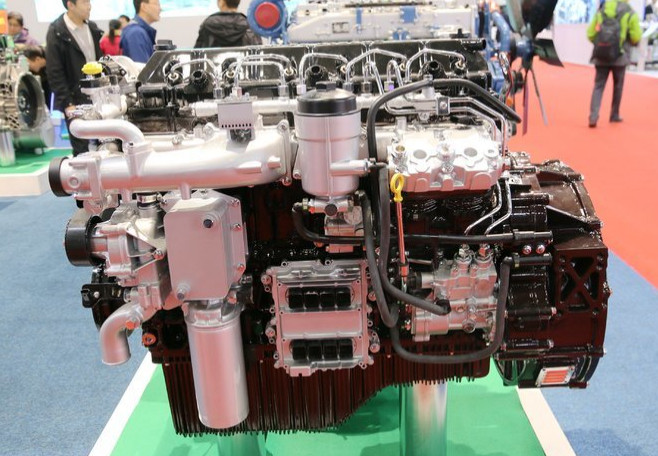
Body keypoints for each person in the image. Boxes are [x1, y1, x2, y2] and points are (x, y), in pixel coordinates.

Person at [46, 0, 102, 156]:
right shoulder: (58, 32)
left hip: (98, 95)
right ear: (70, 4)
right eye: (84, 2)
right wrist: (67, 103)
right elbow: (55, 71)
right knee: (81, 146)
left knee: (105, 140)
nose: (89, 5)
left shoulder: (92, 28)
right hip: (75, 98)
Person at [587, 0, 642, 127]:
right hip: (620, 56)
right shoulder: (629, 12)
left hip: (601, 55)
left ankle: (593, 116)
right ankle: (614, 114)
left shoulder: (602, 10)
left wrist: (602, 44)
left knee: (598, 85)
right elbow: (636, 36)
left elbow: (590, 33)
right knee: (618, 86)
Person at [194, 0, 261, 48]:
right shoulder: (249, 25)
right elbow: (257, 54)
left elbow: (197, 56)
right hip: (242, 64)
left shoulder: (208, 24)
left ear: (222, 2)